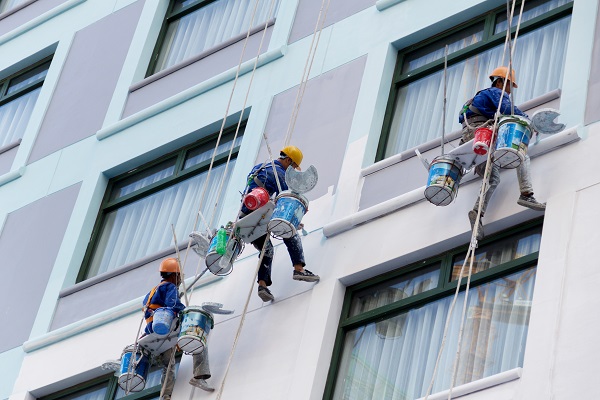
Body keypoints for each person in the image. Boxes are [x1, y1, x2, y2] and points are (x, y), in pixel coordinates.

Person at [458, 66, 546, 240]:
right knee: (520, 153)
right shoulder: (495, 92)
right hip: (484, 132)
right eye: (509, 86)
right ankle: (526, 194)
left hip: (473, 141)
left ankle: (477, 212)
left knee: (492, 179)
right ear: (500, 82)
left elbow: (462, 117)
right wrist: (528, 122)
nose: (510, 91)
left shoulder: (475, 99)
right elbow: (508, 109)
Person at [239, 145, 319, 302]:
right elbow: (285, 200)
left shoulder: (260, 167)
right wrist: (294, 222)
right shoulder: (280, 174)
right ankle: (299, 269)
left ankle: (263, 285)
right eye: (294, 166)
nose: (293, 170)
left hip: (246, 214)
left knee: (266, 249)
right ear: (288, 160)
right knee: (289, 231)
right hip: (262, 212)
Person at [143, 258, 214, 399]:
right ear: (174, 275)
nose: (180, 280)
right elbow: (173, 304)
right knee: (197, 337)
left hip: (154, 330)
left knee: (168, 364)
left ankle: (165, 394)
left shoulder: (153, 291)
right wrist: (187, 310)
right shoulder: (169, 287)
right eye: (179, 276)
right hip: (167, 323)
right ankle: (199, 376)